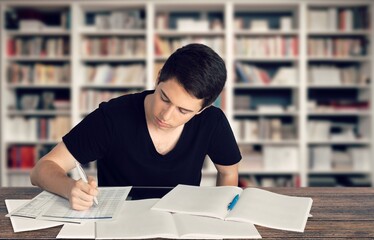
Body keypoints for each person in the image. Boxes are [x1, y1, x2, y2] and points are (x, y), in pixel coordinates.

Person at [30, 43, 241, 210]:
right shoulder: (112, 117)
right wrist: (69, 188)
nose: (166, 115)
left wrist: (220, 214)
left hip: (181, 221)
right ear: (158, 78)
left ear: (202, 110)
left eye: (183, 111)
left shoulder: (212, 121)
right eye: (164, 98)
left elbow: (228, 172)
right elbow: (41, 170)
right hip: (116, 220)